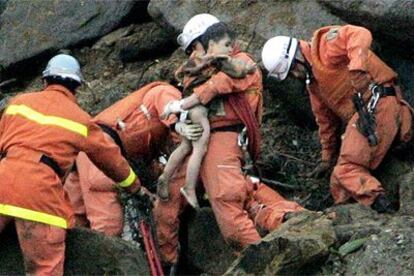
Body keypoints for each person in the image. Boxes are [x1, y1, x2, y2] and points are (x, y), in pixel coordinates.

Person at [153, 13, 304, 268]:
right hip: (214, 144)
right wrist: (180, 121)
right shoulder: (209, 68)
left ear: (209, 40)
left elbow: (219, 86)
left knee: (230, 212)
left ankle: (267, 262)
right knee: (237, 198)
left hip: (221, 144)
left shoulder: (238, 64)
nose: (191, 55)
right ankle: (289, 221)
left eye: (194, 48)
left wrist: (186, 103)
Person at [0, 54, 142, 275]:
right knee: (45, 268)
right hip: (39, 192)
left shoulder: (17, 104)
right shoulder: (80, 120)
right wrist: (134, 186)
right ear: (76, 87)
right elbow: (110, 160)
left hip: (4, 176)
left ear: (45, 80)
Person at [261, 25, 413, 214]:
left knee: (345, 170)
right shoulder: (314, 85)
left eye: (292, 71)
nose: (295, 76)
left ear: (297, 58)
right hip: (369, 116)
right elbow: (326, 122)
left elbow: (360, 34)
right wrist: (326, 158)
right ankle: (350, 218)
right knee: (337, 181)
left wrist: (357, 68)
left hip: (381, 104)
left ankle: (383, 209)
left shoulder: (325, 46)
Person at [64, 81, 203, 236]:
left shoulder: (149, 112)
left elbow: (146, 156)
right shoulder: (167, 92)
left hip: (85, 153)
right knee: (107, 228)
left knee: (72, 223)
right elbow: (174, 118)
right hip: (101, 152)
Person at [157, 40, 256, 209]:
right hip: (198, 109)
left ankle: (165, 176)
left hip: (187, 109)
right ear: (208, 44)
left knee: (184, 147)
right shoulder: (215, 60)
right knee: (199, 149)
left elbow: (181, 76)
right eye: (226, 44)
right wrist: (247, 68)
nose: (229, 49)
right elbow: (232, 72)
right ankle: (189, 188)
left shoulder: (192, 62)